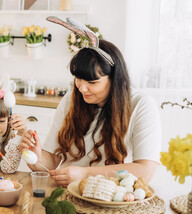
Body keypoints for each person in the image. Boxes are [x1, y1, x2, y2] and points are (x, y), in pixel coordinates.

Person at [20, 39, 161, 187]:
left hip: (111, 200)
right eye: (78, 79)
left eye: (92, 83)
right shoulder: (71, 99)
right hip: (69, 195)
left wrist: (85, 174)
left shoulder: (141, 105)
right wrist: (37, 157)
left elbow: (146, 171)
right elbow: (54, 161)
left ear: (114, 80)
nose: (82, 88)